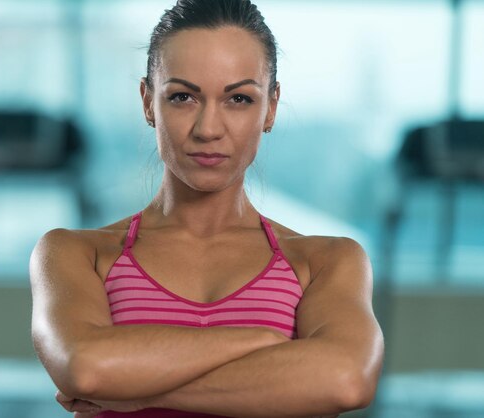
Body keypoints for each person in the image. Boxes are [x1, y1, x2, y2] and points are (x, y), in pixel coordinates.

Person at [29, 0, 385, 416]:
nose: (208, 129)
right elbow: (86, 370)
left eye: (238, 99)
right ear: (148, 102)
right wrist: (261, 340)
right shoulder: (77, 253)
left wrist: (140, 391)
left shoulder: (327, 261)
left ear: (270, 107)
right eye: (183, 97)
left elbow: (346, 380)